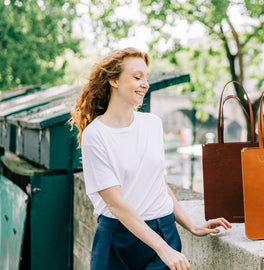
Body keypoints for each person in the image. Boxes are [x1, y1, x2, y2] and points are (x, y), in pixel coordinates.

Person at [70, 47, 231, 270]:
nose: (145, 83)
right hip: (117, 240)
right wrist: (162, 249)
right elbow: (115, 203)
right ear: (114, 80)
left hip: (164, 230)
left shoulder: (152, 124)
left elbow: (158, 182)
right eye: (137, 77)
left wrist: (191, 226)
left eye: (146, 77)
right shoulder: (95, 135)